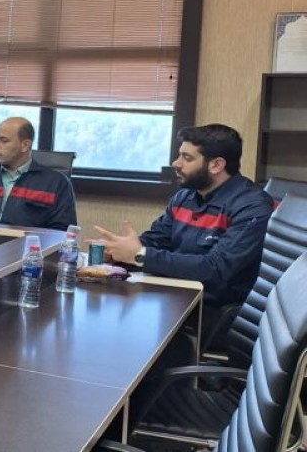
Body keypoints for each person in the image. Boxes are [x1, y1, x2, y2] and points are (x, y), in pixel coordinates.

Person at [94, 124, 273, 316]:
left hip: (215, 310)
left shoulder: (252, 206)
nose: (176, 163)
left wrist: (140, 255)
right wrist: (118, 251)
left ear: (216, 165)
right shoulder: (185, 196)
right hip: (175, 294)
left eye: (187, 158)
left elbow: (216, 269)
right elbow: (157, 240)